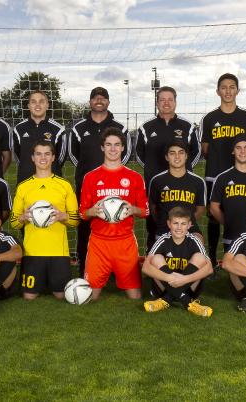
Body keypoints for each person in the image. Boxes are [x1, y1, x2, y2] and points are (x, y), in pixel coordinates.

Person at [79, 127, 149, 300]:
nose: (113, 149)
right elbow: (82, 214)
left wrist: (133, 209)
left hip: (124, 242)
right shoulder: (90, 177)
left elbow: (145, 211)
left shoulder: (134, 178)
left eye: (117, 145)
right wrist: (93, 211)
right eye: (108, 144)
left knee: (135, 297)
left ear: (123, 148)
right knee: (91, 297)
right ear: (102, 147)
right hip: (99, 242)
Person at [69, 87, 130, 277]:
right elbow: (73, 155)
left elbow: (125, 153)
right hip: (87, 185)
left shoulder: (120, 127)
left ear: (108, 102)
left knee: (114, 222)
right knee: (86, 224)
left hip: (115, 185)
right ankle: (85, 267)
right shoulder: (78, 128)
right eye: (95, 98)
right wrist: (91, 176)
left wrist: (111, 173)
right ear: (90, 102)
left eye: (103, 98)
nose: (99, 101)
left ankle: (114, 269)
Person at [11, 140, 79, 300]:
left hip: (58, 252)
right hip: (32, 252)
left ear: (53, 157)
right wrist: (23, 217)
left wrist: (63, 216)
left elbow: (75, 221)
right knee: (29, 296)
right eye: (39, 154)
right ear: (33, 158)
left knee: (61, 295)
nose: (43, 158)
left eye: (47, 154)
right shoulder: (23, 187)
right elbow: (14, 222)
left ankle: (53, 281)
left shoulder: (64, 185)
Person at [200, 73, 246, 261]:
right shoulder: (209, 118)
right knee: (213, 216)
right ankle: (212, 258)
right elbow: (205, 149)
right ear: (218, 91)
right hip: (215, 175)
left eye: (232, 87)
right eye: (223, 87)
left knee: (243, 213)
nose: (228, 91)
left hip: (241, 174)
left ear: (237, 91)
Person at [136, 86, 200, 249]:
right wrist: (155, 171)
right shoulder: (146, 127)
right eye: (162, 99)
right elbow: (139, 154)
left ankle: (186, 255)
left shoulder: (187, 126)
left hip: (183, 184)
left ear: (175, 102)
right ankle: (153, 257)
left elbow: (196, 151)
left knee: (184, 223)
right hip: (154, 183)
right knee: (154, 224)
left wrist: (180, 170)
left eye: (170, 99)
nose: (166, 103)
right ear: (157, 103)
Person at [142, 207, 213, 317]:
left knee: (200, 258)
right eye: (175, 223)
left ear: (189, 225)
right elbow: (145, 268)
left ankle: (165, 300)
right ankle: (187, 302)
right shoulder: (163, 239)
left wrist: (185, 279)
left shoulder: (194, 241)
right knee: (156, 259)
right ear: (169, 224)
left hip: (189, 287)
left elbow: (209, 269)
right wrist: (169, 278)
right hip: (164, 287)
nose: (179, 227)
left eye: (183, 224)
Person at [148, 140, 206, 243]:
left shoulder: (198, 181)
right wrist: (163, 222)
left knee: (198, 241)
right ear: (166, 157)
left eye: (181, 152)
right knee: (159, 258)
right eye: (172, 153)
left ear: (186, 156)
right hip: (164, 230)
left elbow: (200, 208)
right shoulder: (157, 181)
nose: (177, 156)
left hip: (189, 229)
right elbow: (152, 208)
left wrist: (185, 224)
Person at [12, 90, 66, 184]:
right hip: (25, 182)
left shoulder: (58, 129)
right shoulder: (18, 129)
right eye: (33, 102)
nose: (37, 105)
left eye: (41, 101)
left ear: (47, 105)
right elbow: (18, 156)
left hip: (52, 183)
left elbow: (61, 158)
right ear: (28, 106)